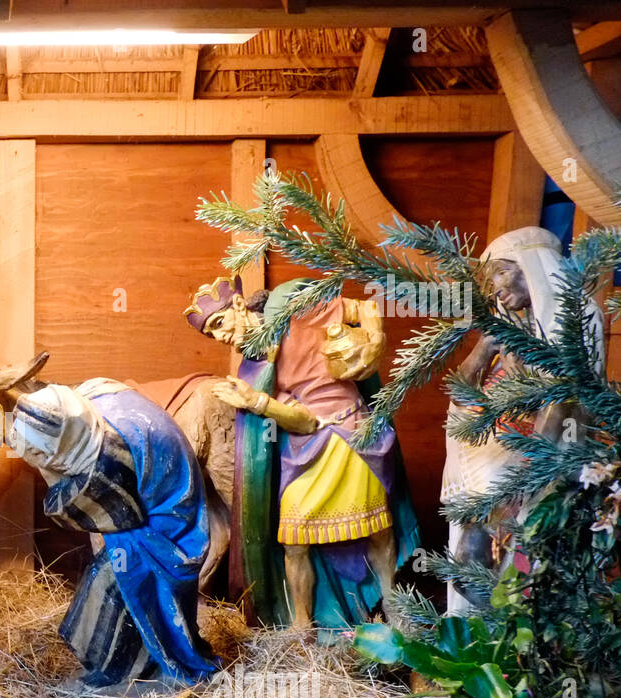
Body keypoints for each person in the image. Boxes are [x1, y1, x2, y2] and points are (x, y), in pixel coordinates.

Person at [186, 276, 420, 632]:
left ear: (237, 305)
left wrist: (373, 343)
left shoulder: (295, 314)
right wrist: (256, 402)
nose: (220, 337)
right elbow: (304, 422)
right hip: (307, 449)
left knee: (378, 528)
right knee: (294, 540)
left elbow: (365, 308)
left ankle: (392, 604)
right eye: (211, 334)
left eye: (219, 323)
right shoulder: (254, 366)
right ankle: (301, 623)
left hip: (351, 434)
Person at [7, 380, 218, 688]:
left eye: (40, 453)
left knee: (118, 586)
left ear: (65, 438)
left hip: (167, 528)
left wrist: (54, 474)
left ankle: (124, 669)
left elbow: (77, 513)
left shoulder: (110, 457)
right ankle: (121, 662)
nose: (36, 460)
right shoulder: (90, 405)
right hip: (148, 509)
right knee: (106, 578)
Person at [442, 226, 604, 610]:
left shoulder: (576, 315)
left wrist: (529, 472)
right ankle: (476, 636)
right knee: (469, 555)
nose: (495, 287)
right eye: (491, 278)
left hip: (529, 461)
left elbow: (566, 399)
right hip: (482, 456)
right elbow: (459, 394)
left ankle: (510, 635)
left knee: (508, 556)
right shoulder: (508, 325)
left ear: (532, 266)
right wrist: (482, 351)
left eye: (501, 271)